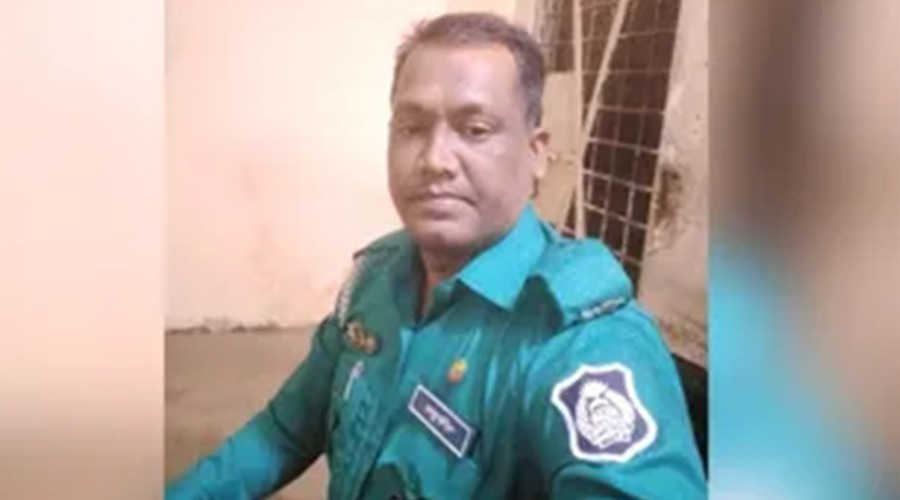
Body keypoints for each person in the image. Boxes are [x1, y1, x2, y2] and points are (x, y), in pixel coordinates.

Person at [166, 12, 705, 499]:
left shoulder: (578, 342)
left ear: (537, 152)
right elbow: (283, 432)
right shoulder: (375, 281)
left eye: (475, 130)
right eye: (412, 128)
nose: (434, 160)